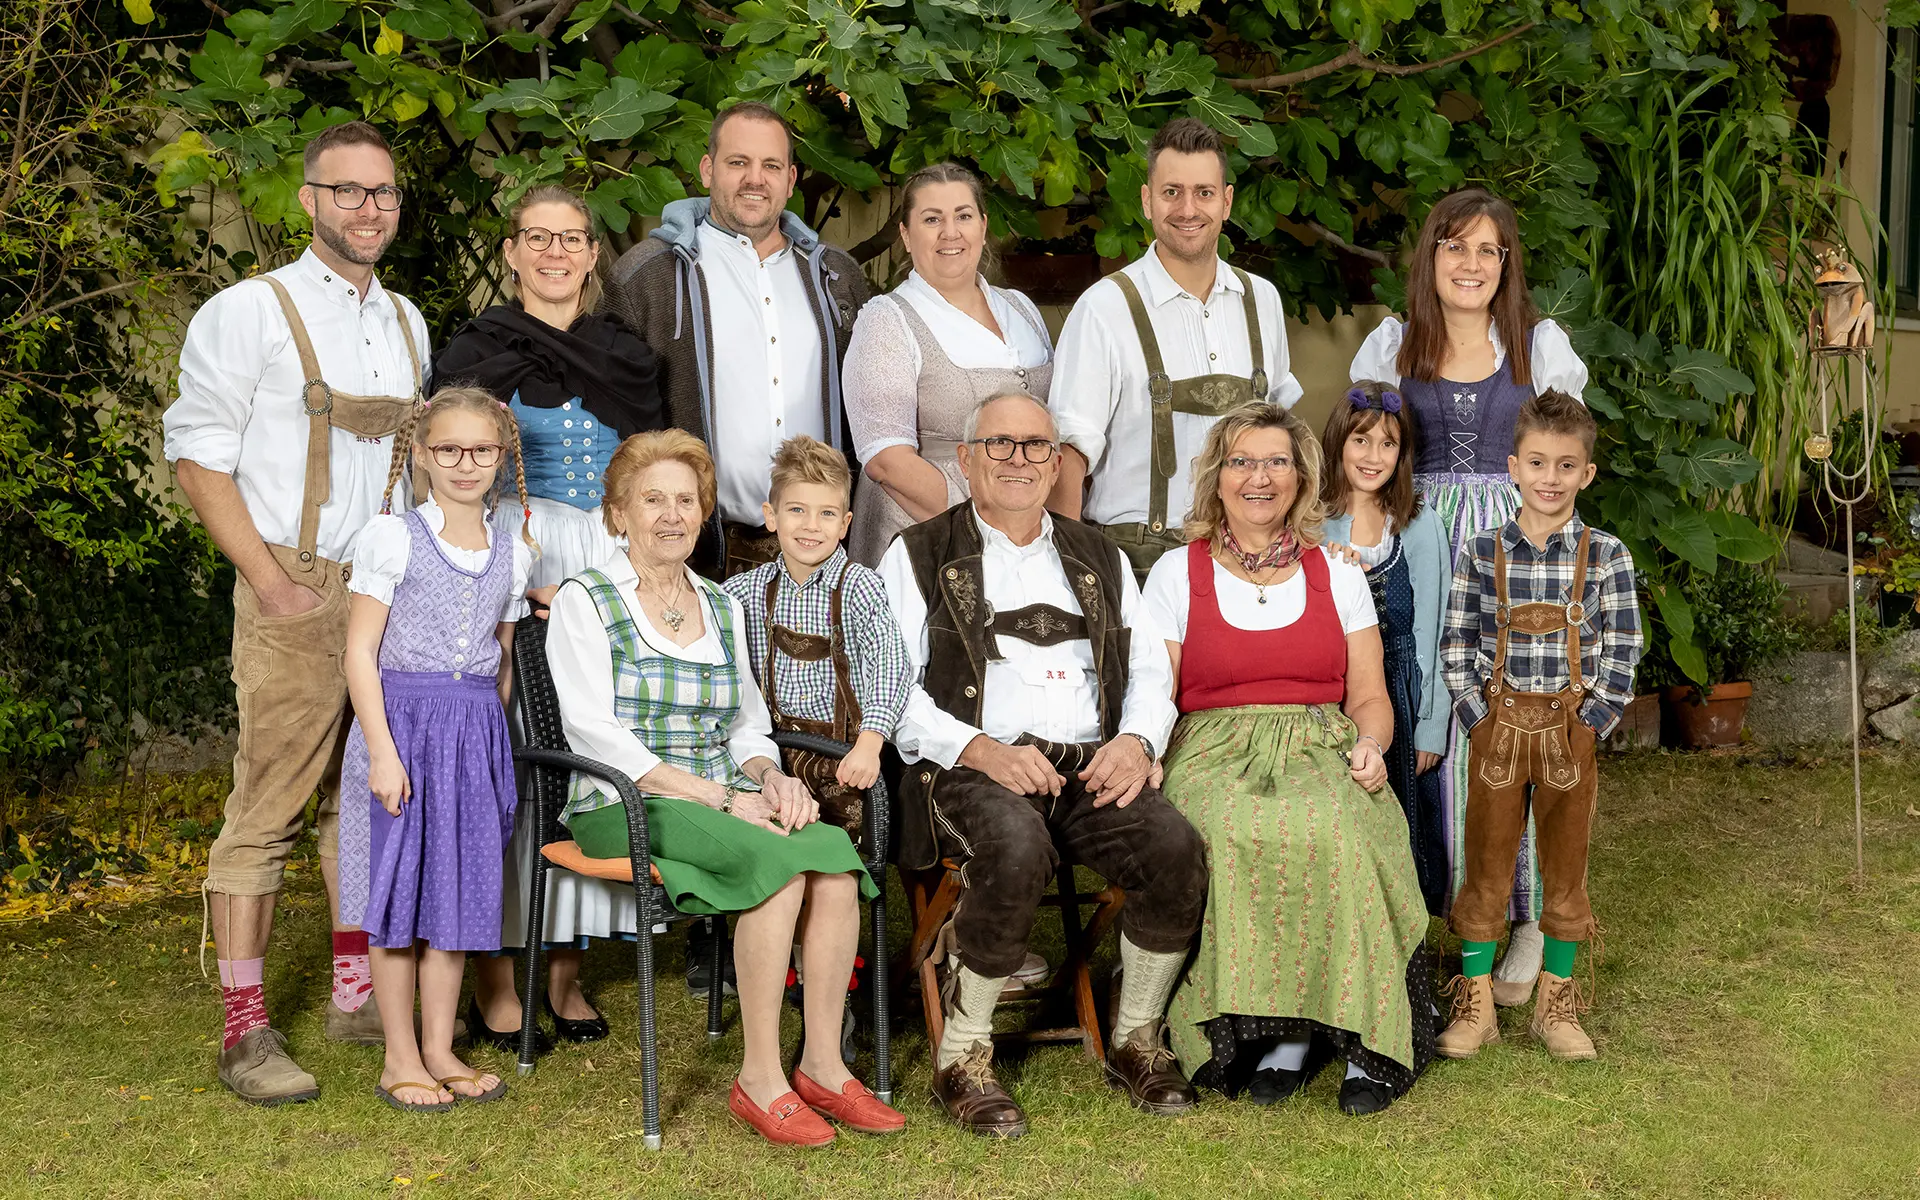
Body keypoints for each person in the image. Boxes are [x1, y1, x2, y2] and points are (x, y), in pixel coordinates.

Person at [164, 120, 432, 1104]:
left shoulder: (408, 321)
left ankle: (358, 993)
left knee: (370, 795)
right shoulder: (248, 311)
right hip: (297, 579)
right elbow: (198, 456)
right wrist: (272, 584)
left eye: (385, 192)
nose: (370, 208)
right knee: (268, 806)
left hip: (385, 589)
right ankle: (245, 1032)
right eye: (349, 191)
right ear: (308, 200)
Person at [547, 429, 903, 1146]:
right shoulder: (586, 601)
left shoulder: (721, 604)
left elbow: (745, 725)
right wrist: (718, 797)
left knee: (833, 857)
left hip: (721, 795)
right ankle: (760, 1080)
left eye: (687, 500)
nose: (672, 515)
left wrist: (772, 779)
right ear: (619, 514)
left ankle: (824, 1066)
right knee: (775, 865)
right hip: (623, 800)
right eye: (653, 500)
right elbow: (595, 736)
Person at [878, 390, 1207, 1139]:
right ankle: (961, 1057)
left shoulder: (1100, 555)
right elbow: (889, 685)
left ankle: (1137, 1038)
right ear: (964, 460)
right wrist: (980, 749)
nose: (1019, 460)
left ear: (1057, 461)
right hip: (971, 766)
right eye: (999, 445)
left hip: (1089, 764)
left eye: (1034, 446)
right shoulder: (919, 552)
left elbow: (1153, 671)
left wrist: (1139, 741)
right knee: (1016, 846)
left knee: (1174, 847)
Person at [1143, 402, 1434, 1117]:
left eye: (1277, 461)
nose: (1260, 477)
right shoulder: (1176, 574)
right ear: (1218, 478)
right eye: (1242, 461)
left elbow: (1369, 695)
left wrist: (1371, 745)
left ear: (1302, 479)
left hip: (1318, 737)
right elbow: (1156, 690)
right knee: (1228, 824)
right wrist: (1146, 748)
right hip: (1213, 744)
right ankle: (1275, 1037)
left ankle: (1344, 1030)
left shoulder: (1335, 573)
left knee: (1334, 823)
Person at [434, 185, 666, 1052]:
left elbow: (650, 471)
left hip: (606, 567)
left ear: (593, 253)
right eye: (539, 238)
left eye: (572, 238)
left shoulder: (626, 355)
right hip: (511, 559)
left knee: (589, 751)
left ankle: (564, 969)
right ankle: (498, 974)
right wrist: (502, 575)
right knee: (511, 758)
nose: (556, 253)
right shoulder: (478, 349)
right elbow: (450, 473)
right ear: (511, 250)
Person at [1349, 187, 1591, 1001]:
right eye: (1456, 246)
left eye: (1489, 250)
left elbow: (1559, 458)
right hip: (1416, 538)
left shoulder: (1536, 344)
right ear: (1431, 257)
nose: (1471, 264)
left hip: (1505, 542)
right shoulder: (1392, 345)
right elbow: (1366, 455)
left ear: (1506, 264)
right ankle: (1425, 905)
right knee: (1423, 721)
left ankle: (1524, 916)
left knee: (1514, 718)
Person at [338, 387, 535, 1111]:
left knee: (457, 895)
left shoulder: (512, 551)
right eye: (447, 448)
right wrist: (385, 753)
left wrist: (490, 747)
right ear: (421, 453)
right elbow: (360, 653)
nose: (464, 463)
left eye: (481, 450)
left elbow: (501, 661)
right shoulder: (393, 536)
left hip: (472, 732)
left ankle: (440, 1047)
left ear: (501, 458)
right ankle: (398, 1057)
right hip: (403, 728)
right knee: (398, 898)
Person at [1435, 391, 1643, 1063]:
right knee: (1486, 863)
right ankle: (1476, 1003)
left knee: (1565, 865)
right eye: (1537, 463)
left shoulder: (1606, 555)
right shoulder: (1482, 550)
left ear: (1586, 473)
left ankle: (1556, 1002)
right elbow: (1456, 642)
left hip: (1568, 731)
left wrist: (1593, 720)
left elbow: (1623, 646)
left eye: (1565, 465)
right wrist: (1474, 720)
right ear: (1512, 467)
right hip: (1497, 729)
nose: (1549, 478)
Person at [604, 102, 872, 580]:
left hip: (819, 553)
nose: (755, 179)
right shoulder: (647, 277)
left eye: (771, 166)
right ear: (707, 169)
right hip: (700, 553)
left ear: (790, 180)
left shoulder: (837, 278)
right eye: (737, 163)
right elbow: (616, 426)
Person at [1049, 118, 1303, 580]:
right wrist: (1069, 575)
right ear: (1147, 200)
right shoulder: (1104, 308)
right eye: (1172, 192)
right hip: (1137, 563)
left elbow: (1282, 436)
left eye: (1204, 192)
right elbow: (1068, 456)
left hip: (1252, 559)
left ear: (1226, 202)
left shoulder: (1262, 299)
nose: (1188, 209)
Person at [844, 162, 1054, 567]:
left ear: (982, 225)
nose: (950, 233)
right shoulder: (888, 319)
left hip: (1024, 541)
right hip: (924, 540)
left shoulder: (1022, 310)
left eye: (963, 216)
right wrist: (985, 527)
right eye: (931, 219)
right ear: (906, 234)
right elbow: (887, 461)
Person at [723, 436, 912, 835]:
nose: (811, 526)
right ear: (770, 516)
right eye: (797, 510)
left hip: (843, 760)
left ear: (845, 524)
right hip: (770, 756)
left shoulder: (859, 586)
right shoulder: (745, 591)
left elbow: (890, 663)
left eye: (827, 513)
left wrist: (870, 743)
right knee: (773, 850)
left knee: (834, 861)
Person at [1320, 383, 1452, 912]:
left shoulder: (1420, 527)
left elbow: (1436, 630)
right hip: (1337, 694)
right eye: (1361, 441)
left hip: (1402, 689)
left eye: (1388, 445)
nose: (1374, 456)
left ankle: (1406, 937)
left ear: (1403, 455)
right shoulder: (1312, 525)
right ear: (1339, 444)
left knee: (1404, 817)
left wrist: (1429, 724)